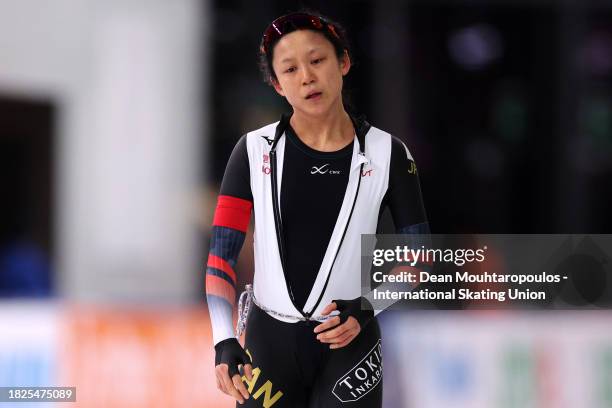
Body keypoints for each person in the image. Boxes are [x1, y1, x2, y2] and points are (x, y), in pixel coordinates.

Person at [205, 11, 429, 407]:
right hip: (269, 344)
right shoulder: (253, 151)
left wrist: (366, 308)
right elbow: (220, 258)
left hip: (350, 343)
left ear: (343, 63)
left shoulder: (388, 154)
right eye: (290, 69)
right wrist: (223, 339)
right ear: (277, 85)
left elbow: (419, 257)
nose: (307, 76)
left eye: (317, 60)